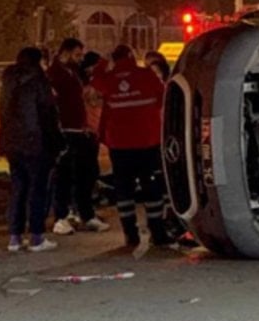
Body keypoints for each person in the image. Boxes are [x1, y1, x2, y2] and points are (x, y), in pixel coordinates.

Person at [92, 45, 170, 248]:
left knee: (124, 190)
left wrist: (103, 61)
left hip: (119, 145)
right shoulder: (146, 75)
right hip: (148, 142)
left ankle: (130, 234)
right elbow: (163, 97)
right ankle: (158, 233)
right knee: (152, 188)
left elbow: (95, 79)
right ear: (130, 56)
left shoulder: (108, 80)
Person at [0, 47, 61, 252]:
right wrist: (56, 142)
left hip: (11, 142)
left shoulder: (8, 82)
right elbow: (48, 114)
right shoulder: (39, 81)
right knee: (38, 189)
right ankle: (36, 236)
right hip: (36, 143)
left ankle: (14, 237)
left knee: (18, 187)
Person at [48, 38, 109, 235]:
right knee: (65, 176)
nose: (80, 59)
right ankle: (61, 216)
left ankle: (86, 214)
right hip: (67, 131)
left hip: (82, 131)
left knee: (87, 174)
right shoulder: (55, 74)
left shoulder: (74, 73)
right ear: (65, 52)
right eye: (77, 54)